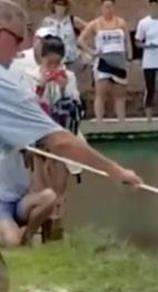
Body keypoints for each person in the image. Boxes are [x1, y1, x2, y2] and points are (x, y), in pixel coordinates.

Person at [0, 0, 142, 292]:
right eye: (20, 36)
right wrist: (116, 171)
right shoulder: (3, 85)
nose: (24, 45)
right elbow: (59, 140)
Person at [32, 36, 84, 232]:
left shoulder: (69, 77)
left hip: (62, 132)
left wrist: (63, 89)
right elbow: (29, 104)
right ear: (42, 59)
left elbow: (76, 103)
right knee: (41, 175)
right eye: (49, 62)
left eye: (57, 62)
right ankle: (42, 218)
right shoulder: (32, 75)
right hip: (39, 133)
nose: (53, 66)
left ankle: (58, 216)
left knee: (61, 175)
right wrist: (41, 86)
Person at [78, 0, 129, 122]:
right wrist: (92, 52)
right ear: (102, 8)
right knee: (100, 93)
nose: (108, 9)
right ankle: (99, 121)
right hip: (103, 61)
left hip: (119, 60)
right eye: (106, 7)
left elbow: (127, 42)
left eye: (111, 7)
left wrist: (129, 59)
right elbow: (80, 40)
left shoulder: (121, 22)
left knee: (120, 95)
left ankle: (122, 122)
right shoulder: (95, 24)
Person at [36, 0, 87, 77]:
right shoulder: (47, 21)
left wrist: (83, 45)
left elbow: (90, 29)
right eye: (58, 3)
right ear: (53, 5)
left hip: (72, 60)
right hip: (53, 61)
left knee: (71, 84)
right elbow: (40, 40)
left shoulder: (72, 20)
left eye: (63, 4)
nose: (60, 6)